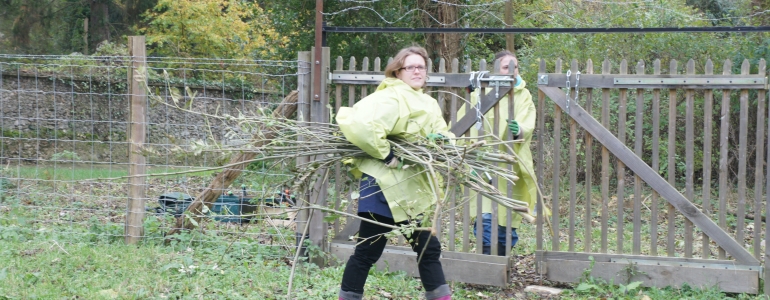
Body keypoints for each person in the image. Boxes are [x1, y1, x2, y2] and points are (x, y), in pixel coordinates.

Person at [335, 46, 454, 300]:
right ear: (398, 71)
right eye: (410, 67)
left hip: (412, 187)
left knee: (427, 249)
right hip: (383, 186)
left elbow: (443, 133)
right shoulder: (390, 97)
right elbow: (358, 124)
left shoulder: (428, 102)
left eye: (421, 66)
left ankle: (440, 297)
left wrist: (442, 142)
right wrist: (386, 154)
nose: (417, 71)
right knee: (368, 251)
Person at [461, 50, 538, 256]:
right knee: (485, 216)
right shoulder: (480, 93)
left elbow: (527, 122)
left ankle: (502, 258)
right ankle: (488, 262)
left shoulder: (524, 94)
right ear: (495, 70)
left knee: (508, 218)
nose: (511, 71)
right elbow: (463, 123)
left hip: (510, 165)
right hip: (482, 165)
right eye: (506, 67)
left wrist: (519, 129)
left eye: (515, 67)